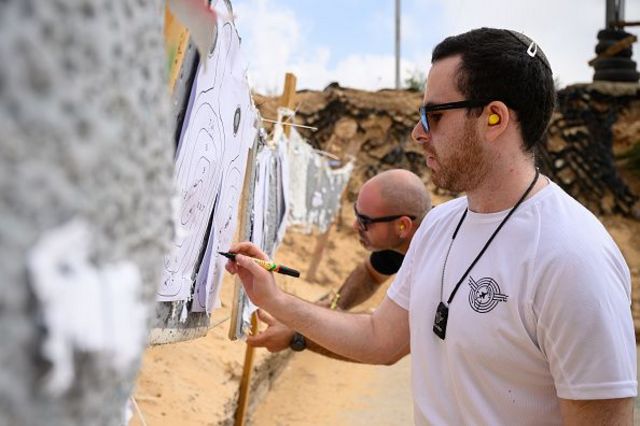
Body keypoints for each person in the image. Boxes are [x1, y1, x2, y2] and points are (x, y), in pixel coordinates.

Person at [226, 28, 637, 424]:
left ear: (494, 118)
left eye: (433, 115)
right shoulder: (440, 224)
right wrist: (277, 300)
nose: (417, 133)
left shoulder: (574, 257)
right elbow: (378, 337)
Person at [247, 169, 431, 357]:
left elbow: (382, 345)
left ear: (403, 226)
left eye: (364, 221)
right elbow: (370, 274)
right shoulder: (408, 239)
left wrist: (298, 335)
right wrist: (334, 307)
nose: (354, 226)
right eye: (356, 214)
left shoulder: (435, 265)